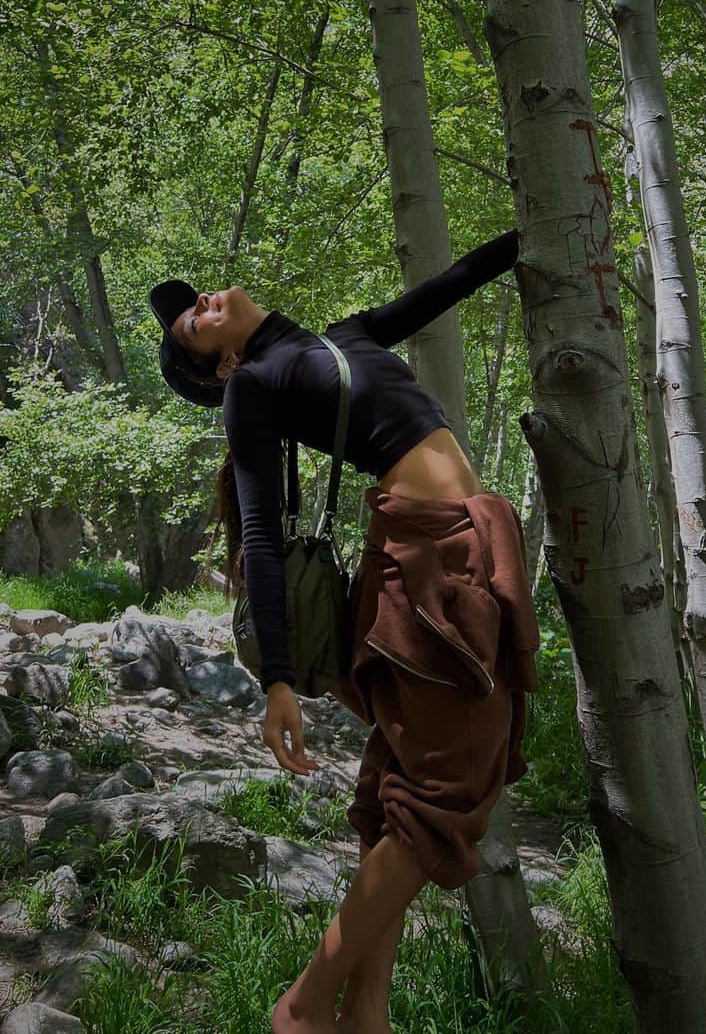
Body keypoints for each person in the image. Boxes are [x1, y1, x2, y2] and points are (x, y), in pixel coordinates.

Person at [149, 229, 541, 1034]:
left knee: (398, 797)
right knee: (451, 791)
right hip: (425, 567)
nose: (200, 304)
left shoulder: (344, 337)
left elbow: (451, 280)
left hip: (445, 553)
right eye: (194, 324)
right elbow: (260, 533)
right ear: (219, 364)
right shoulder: (252, 385)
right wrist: (278, 679)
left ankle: (366, 1016)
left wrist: (533, 232)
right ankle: (302, 1004)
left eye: (191, 302)